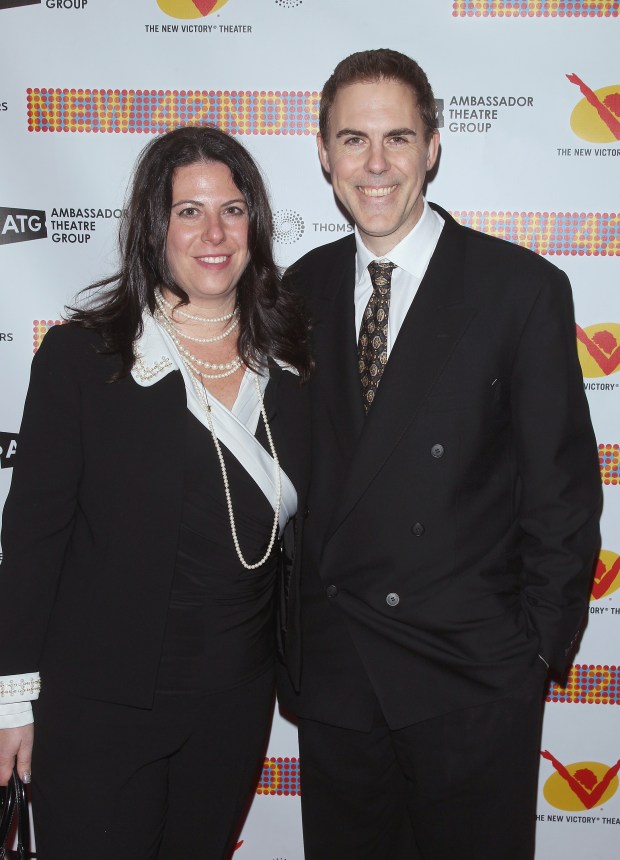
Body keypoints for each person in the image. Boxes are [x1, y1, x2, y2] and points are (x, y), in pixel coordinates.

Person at [276, 49, 602, 859]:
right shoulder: (298, 291)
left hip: (470, 679)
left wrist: (531, 656)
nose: (375, 164)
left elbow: (563, 494)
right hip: (340, 678)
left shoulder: (518, 288)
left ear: (433, 145)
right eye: (353, 140)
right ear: (323, 153)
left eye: (397, 138)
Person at [0, 125, 311, 859]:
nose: (214, 232)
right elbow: (33, 539)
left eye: (232, 210)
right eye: (188, 211)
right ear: (153, 227)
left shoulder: (295, 358)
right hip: (100, 703)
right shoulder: (85, 358)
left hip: (235, 701)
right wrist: (12, 699)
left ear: (254, 224)